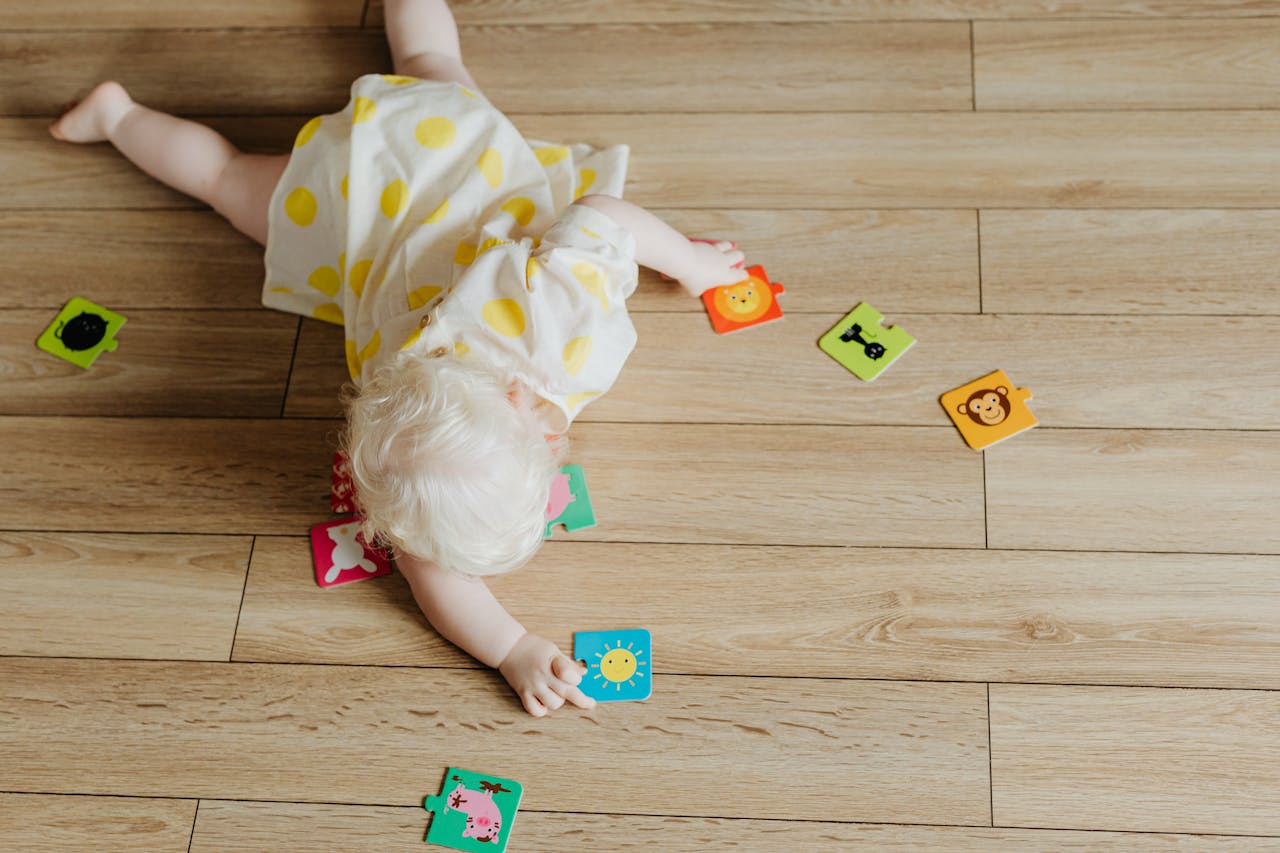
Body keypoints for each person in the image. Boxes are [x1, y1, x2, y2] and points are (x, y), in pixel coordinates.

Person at [50, 0, 747, 717]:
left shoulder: (557, 320)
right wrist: (507, 647)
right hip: (354, 200)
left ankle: (115, 117)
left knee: (405, 84)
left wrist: (693, 264)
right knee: (238, 175)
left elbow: (607, 216)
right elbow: (434, 579)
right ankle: (116, 117)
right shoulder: (406, 446)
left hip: (445, 156)